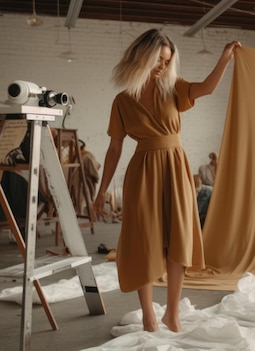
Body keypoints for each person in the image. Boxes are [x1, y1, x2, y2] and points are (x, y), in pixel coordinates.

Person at [93, 28, 241, 332]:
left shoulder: (173, 87)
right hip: (142, 172)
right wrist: (101, 190)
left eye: (167, 61)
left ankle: (172, 314)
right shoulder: (122, 100)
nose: (162, 66)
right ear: (143, 56)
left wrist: (225, 60)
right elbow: (114, 148)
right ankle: (148, 315)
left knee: (179, 240)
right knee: (142, 244)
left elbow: (207, 88)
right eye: (158, 60)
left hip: (176, 167)